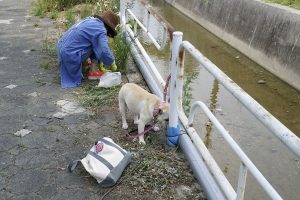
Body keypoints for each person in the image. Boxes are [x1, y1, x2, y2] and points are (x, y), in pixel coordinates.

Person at [57, 11, 119, 88]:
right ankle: (93, 71)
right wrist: (111, 61)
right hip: (69, 55)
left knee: (94, 42)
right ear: (109, 28)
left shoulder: (90, 20)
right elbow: (103, 51)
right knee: (97, 45)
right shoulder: (101, 29)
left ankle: (91, 68)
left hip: (62, 50)